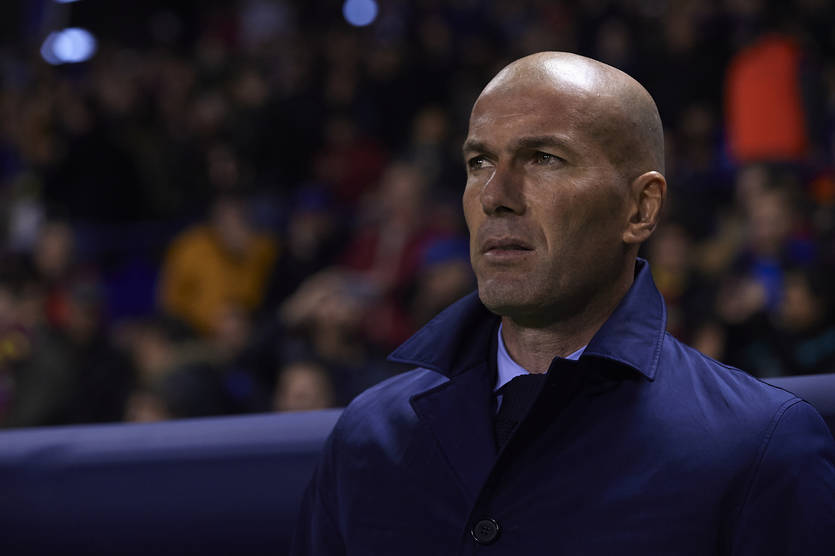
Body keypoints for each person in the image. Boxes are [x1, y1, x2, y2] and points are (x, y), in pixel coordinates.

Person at [291, 52, 835, 555]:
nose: (495, 195)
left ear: (641, 209)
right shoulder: (368, 435)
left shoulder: (762, 448)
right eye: (480, 162)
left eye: (543, 158)